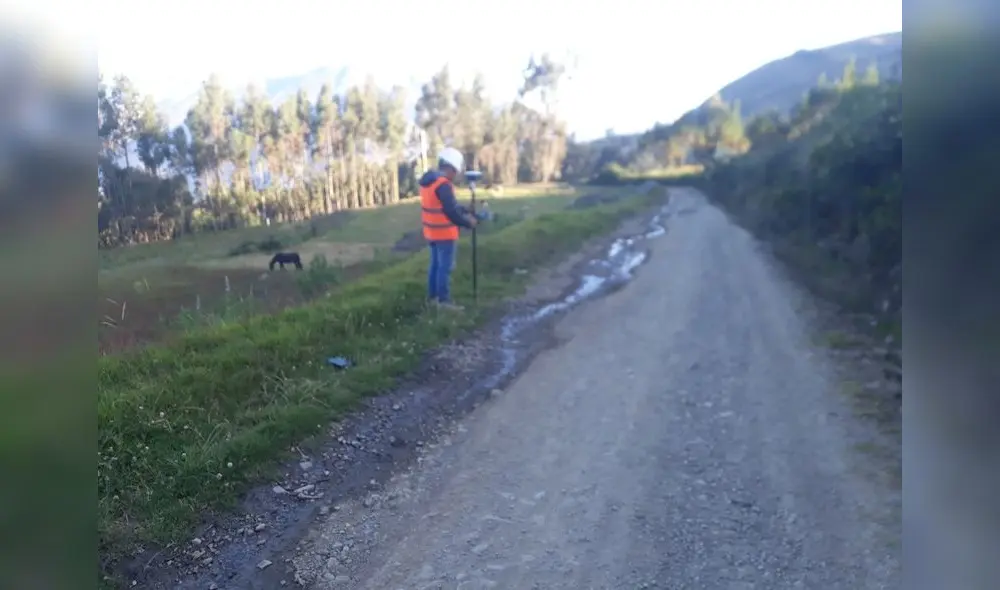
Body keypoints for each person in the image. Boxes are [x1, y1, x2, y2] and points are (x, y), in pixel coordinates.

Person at [419, 147, 478, 309]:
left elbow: (445, 206)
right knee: (444, 268)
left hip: (431, 232)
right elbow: (450, 212)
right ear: (451, 167)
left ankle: (433, 299)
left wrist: (464, 210)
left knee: (435, 266)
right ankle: (444, 302)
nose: (456, 175)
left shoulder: (428, 181)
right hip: (444, 234)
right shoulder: (444, 184)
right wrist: (468, 223)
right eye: (456, 171)